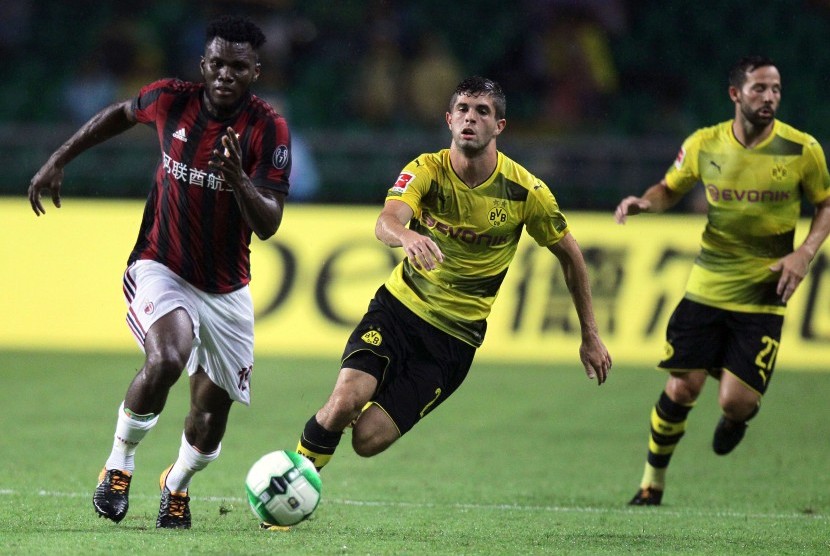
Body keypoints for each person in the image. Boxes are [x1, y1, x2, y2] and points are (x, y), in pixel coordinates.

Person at [291, 76, 612, 518]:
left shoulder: (526, 192)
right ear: (448, 119)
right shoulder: (426, 168)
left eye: (482, 112)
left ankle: (308, 466)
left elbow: (573, 259)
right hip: (398, 312)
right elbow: (385, 221)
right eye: (462, 108)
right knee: (345, 398)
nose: (470, 118)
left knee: (367, 440)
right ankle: (289, 493)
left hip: (453, 342)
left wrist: (590, 335)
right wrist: (405, 235)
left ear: (500, 125)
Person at [27, 15, 291, 528]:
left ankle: (176, 485)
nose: (225, 74)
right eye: (216, 63)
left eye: (238, 66)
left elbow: (270, 224)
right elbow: (119, 115)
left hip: (226, 288)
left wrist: (237, 178)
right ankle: (119, 464)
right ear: (203, 64)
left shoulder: (267, 128)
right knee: (168, 356)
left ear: (255, 70)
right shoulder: (171, 99)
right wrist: (60, 157)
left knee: (211, 417)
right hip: (160, 263)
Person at [615, 55, 830, 506]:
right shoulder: (704, 144)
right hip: (707, 287)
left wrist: (805, 253)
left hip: (763, 293)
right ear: (735, 94)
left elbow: (825, 204)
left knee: (735, 402)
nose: (769, 97)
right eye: (759, 89)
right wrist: (646, 204)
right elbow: (670, 187)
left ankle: (736, 419)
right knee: (682, 386)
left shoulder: (802, 149)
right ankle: (651, 484)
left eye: (775, 89)